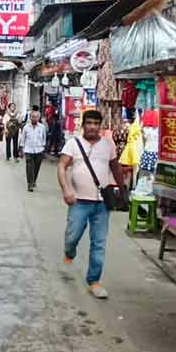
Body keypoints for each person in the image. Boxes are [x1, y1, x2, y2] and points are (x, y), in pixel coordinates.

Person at [57, 109, 126, 299]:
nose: (93, 127)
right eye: (89, 123)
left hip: (102, 204)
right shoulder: (73, 144)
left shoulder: (107, 145)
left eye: (96, 124)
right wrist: (66, 190)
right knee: (72, 237)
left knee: (99, 243)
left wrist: (122, 189)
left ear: (100, 126)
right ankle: (69, 254)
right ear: (83, 125)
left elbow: (115, 167)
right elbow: (62, 166)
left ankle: (94, 281)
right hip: (79, 201)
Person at [22, 106, 48, 192]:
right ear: (30, 117)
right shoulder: (26, 127)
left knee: (36, 168)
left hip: (39, 150)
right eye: (33, 117)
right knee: (29, 167)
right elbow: (23, 138)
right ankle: (30, 184)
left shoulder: (42, 127)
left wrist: (43, 146)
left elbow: (44, 137)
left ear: (39, 118)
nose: (34, 118)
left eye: (36, 117)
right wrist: (22, 148)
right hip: (28, 150)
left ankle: (34, 180)